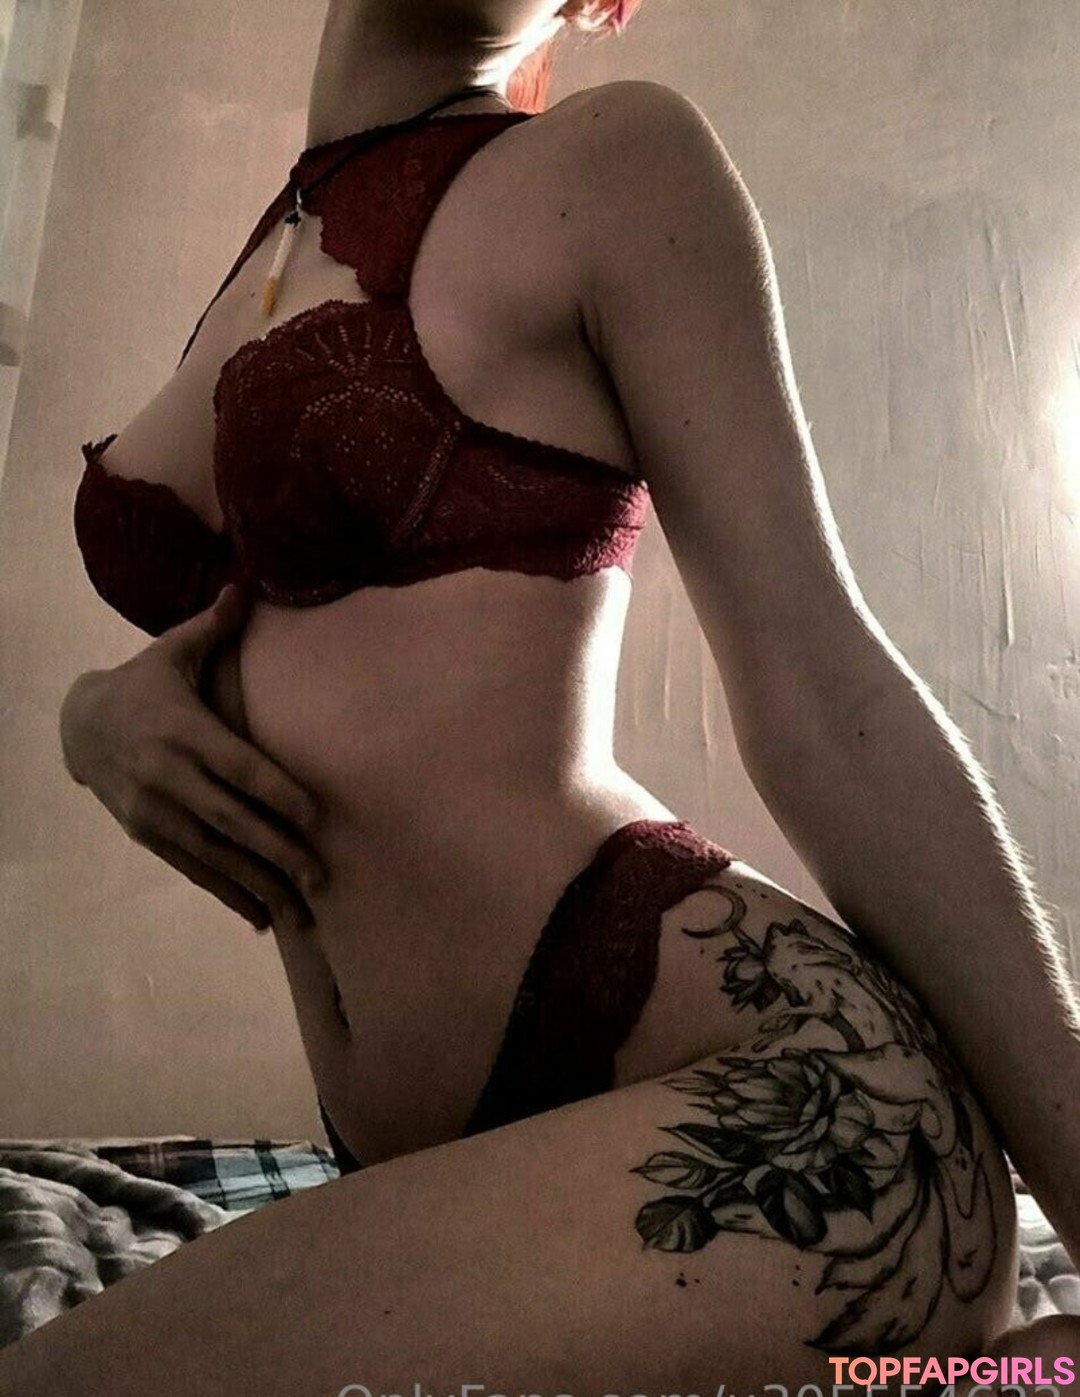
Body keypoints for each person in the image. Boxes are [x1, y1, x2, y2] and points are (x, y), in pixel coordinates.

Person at [4, 1, 1078, 1391]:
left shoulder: (612, 167)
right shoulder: (281, 237)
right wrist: (93, 718)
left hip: (800, 1105)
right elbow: (259, 632)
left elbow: (825, 691)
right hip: (454, 1152)